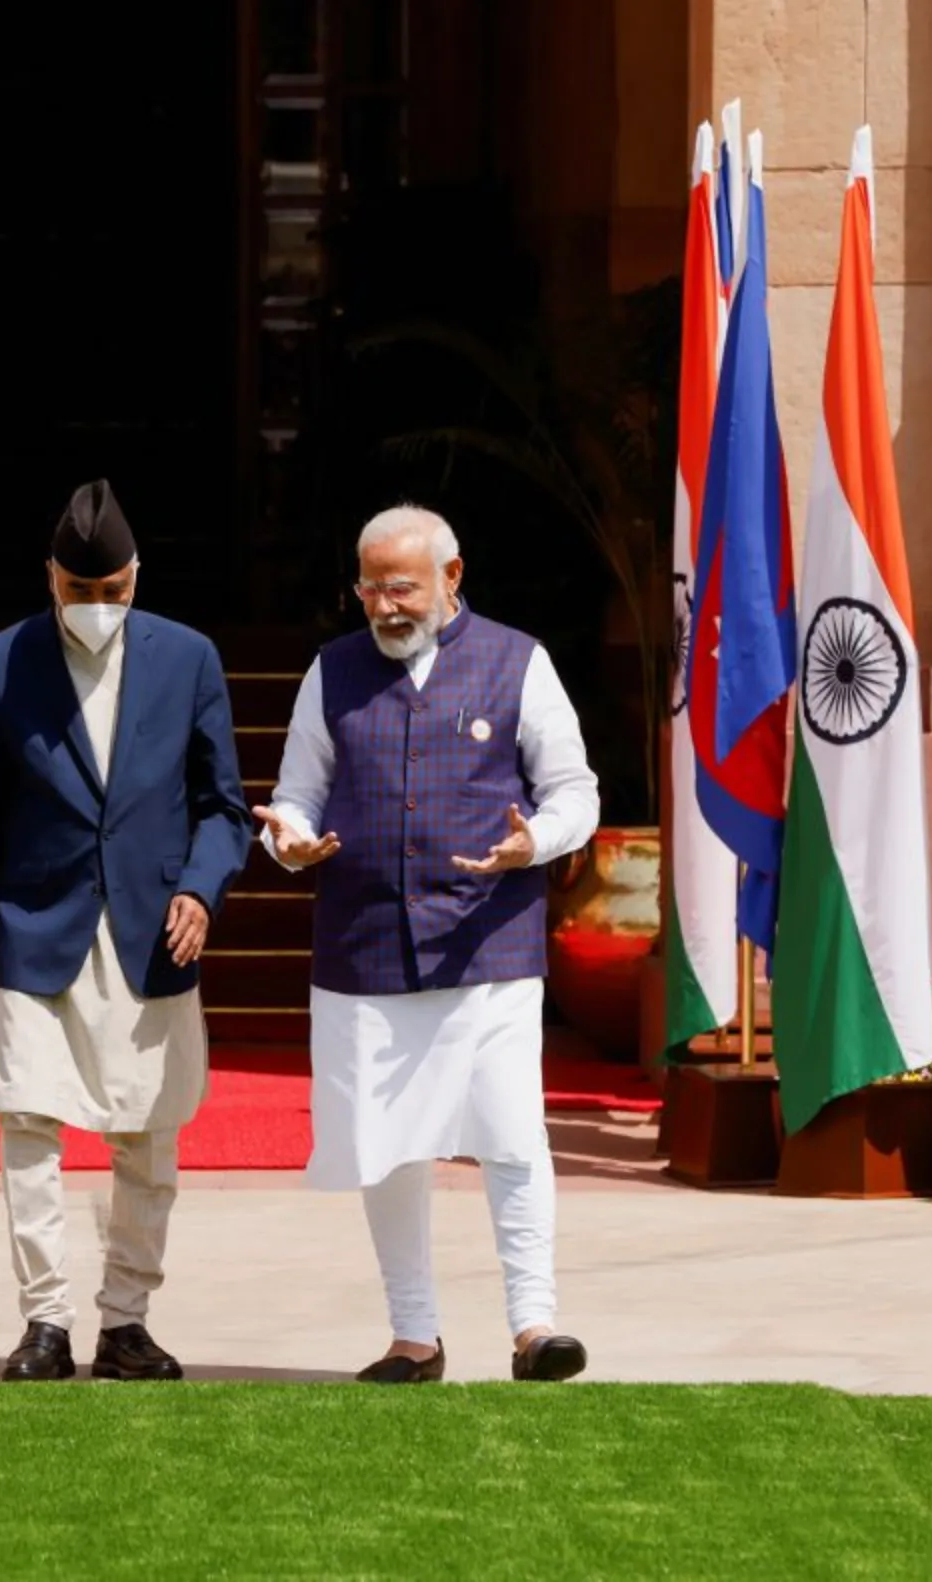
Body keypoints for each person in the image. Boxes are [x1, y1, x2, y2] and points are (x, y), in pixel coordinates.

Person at [254, 505, 599, 1383]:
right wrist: (288, 842)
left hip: (487, 948)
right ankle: (415, 1336)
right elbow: (297, 794)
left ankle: (535, 1326)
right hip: (364, 951)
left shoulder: (521, 661)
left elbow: (575, 791)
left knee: (514, 1134)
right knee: (388, 1143)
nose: (384, 605)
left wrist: (536, 843)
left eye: (401, 586)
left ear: (451, 578)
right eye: (370, 586)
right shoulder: (331, 672)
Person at [0, 478, 252, 1383]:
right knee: (27, 1127)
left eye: (112, 590)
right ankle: (44, 1323)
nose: (97, 607)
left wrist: (201, 890)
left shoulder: (190, 658)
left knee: (148, 1136)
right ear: (49, 578)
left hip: (152, 934)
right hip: (35, 929)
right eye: (80, 592)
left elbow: (223, 807)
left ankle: (126, 1323)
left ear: (136, 577)